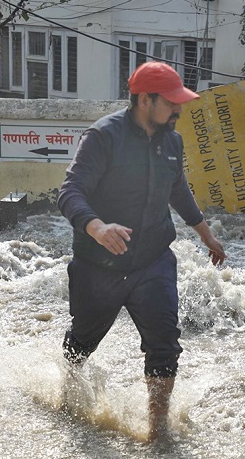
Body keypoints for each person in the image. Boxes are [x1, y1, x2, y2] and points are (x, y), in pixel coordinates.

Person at [57, 61, 226, 442]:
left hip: (153, 259)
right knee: (82, 342)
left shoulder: (173, 141)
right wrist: (97, 227)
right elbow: (69, 192)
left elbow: (177, 189)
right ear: (145, 100)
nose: (178, 110)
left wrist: (205, 233)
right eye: (171, 103)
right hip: (99, 263)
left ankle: (158, 432)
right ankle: (67, 392)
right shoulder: (103, 137)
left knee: (164, 342)